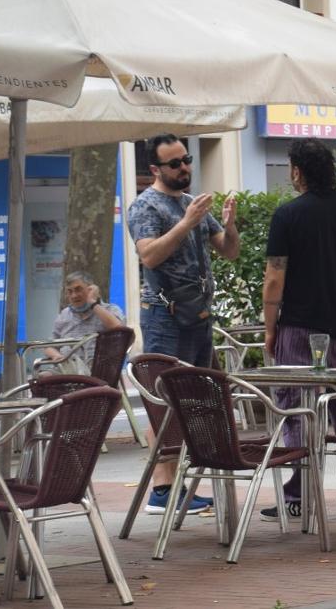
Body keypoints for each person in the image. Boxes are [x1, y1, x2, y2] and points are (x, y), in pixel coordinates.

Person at [260, 138, 336, 521]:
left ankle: (299, 494)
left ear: (298, 170)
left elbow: (275, 278)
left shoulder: (287, 216)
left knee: (295, 409)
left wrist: (270, 327)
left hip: (296, 328)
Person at [128, 133, 239, 516]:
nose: (185, 168)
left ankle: (182, 485)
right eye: (175, 164)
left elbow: (228, 250)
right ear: (156, 169)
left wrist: (229, 225)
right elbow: (150, 256)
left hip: (198, 318)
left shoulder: (192, 203)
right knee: (166, 401)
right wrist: (186, 223)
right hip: (165, 318)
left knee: (198, 401)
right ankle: (162, 489)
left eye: (186, 159)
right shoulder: (146, 206)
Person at [42, 271, 125, 374]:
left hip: (99, 370)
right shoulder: (64, 315)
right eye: (70, 291)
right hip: (68, 370)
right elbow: (49, 345)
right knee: (42, 377)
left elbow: (121, 331)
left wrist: (93, 303)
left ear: (91, 289)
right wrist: (56, 356)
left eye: (78, 289)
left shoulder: (110, 310)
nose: (74, 295)